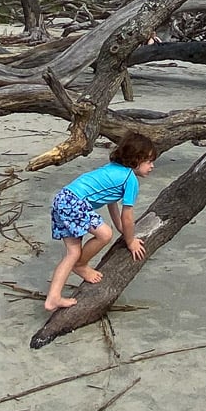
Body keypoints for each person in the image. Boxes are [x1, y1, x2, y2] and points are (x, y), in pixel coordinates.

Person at [44, 132, 157, 312]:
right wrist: (130, 241)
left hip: (63, 198)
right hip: (75, 202)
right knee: (105, 234)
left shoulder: (112, 169)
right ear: (136, 159)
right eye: (149, 161)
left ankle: (53, 298)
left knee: (72, 252)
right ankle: (81, 266)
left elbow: (110, 202)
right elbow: (127, 216)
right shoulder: (130, 179)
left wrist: (121, 229)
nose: (152, 166)